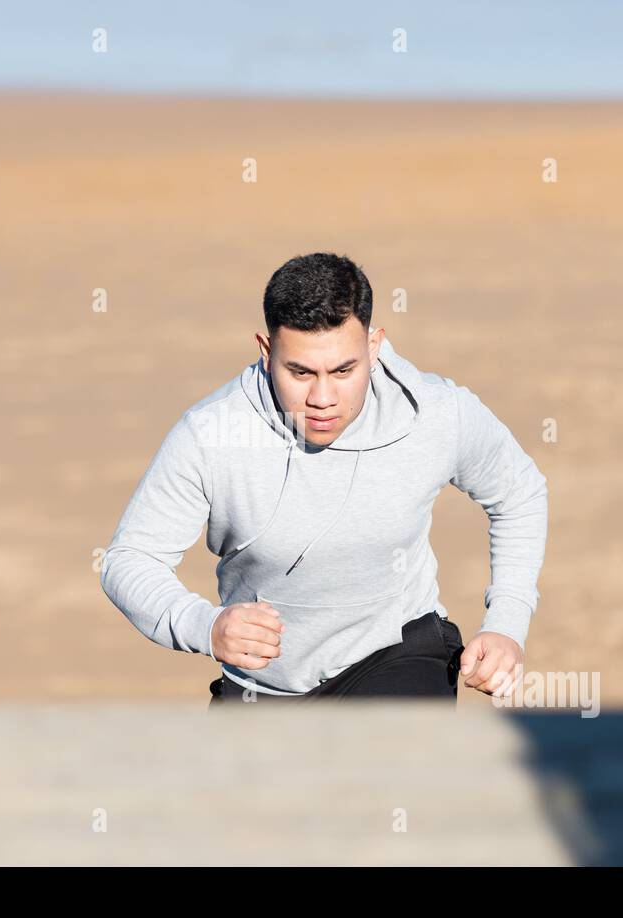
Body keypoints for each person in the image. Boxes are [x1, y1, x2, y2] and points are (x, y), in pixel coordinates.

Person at [100, 252, 548, 706]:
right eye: (299, 372)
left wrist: (507, 624)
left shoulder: (434, 412)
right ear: (265, 349)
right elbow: (130, 559)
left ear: (374, 346)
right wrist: (205, 626)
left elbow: (519, 494)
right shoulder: (211, 434)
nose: (322, 398)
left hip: (397, 652)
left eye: (343, 371)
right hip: (262, 687)